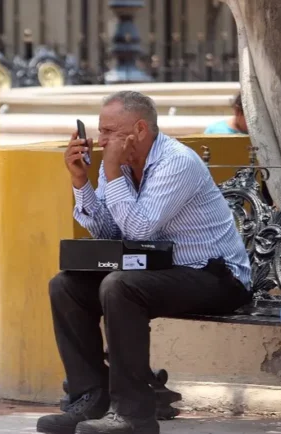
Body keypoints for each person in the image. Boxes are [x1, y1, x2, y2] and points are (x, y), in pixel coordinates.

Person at [36, 91, 252, 434]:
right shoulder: (118, 165)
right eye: (99, 131)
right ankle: (90, 399)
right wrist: (81, 181)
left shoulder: (176, 161)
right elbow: (110, 230)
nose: (100, 140)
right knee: (65, 285)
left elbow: (139, 228)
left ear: (139, 129)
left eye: (109, 131)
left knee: (120, 286)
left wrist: (109, 169)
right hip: (160, 271)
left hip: (217, 276)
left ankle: (134, 415)